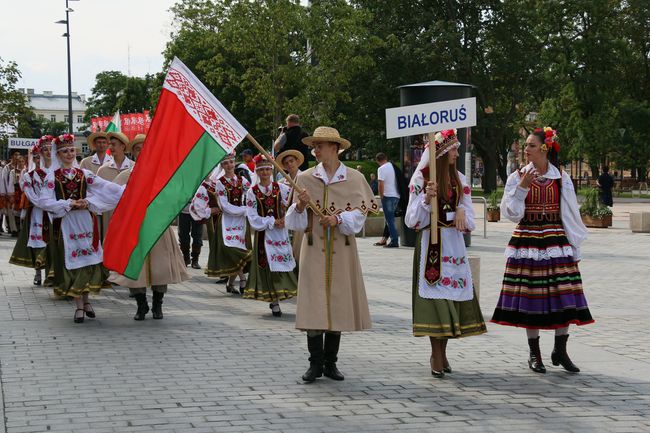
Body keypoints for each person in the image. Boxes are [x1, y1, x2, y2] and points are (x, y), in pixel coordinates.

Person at [491, 127, 594, 373]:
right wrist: (523, 187)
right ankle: (534, 353)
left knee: (564, 294)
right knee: (532, 296)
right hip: (528, 240)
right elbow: (511, 213)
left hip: (555, 240)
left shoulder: (561, 177)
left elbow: (569, 213)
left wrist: (574, 246)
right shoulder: (518, 176)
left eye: (531, 145)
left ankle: (560, 349)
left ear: (545, 148)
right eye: (526, 145)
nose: (526, 150)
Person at [286, 126, 378, 382]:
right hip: (314, 248)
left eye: (321, 145)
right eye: (314, 145)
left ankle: (331, 363)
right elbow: (293, 222)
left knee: (337, 303)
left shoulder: (353, 179)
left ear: (335, 148)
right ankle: (314, 364)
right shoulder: (304, 179)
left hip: (341, 249)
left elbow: (360, 217)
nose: (315, 150)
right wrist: (301, 205)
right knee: (314, 304)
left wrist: (338, 219)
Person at [405, 129, 487, 378]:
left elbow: (470, 221)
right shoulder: (421, 180)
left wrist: (462, 212)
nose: (457, 153)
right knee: (435, 302)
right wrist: (424, 200)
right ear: (439, 152)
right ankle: (436, 354)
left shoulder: (460, 180)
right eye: (453, 149)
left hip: (453, 247)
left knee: (450, 300)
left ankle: (442, 353)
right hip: (431, 244)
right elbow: (411, 220)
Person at [38, 133, 125, 323]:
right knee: (74, 261)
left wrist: (89, 201)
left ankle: (85, 302)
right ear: (58, 155)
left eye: (71, 150)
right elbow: (44, 201)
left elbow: (107, 188)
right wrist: (68, 204)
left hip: (86, 221)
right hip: (67, 224)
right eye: (65, 151)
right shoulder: (53, 177)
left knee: (89, 261)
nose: (70, 154)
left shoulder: (84, 174)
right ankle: (79, 305)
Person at [109, 134, 189, 320]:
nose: (142, 152)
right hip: (134, 229)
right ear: (134, 152)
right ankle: (141, 304)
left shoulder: (163, 173)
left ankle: (158, 305)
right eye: (138, 149)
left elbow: (175, 197)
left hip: (158, 226)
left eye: (145, 148)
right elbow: (112, 195)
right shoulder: (127, 175)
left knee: (160, 267)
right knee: (134, 267)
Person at [243, 156, 297, 317]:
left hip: (281, 234)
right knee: (267, 265)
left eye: (267, 169)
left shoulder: (281, 187)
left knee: (282, 262)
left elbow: (292, 205)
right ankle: (274, 301)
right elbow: (252, 216)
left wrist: (286, 218)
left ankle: (283, 292)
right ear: (257, 172)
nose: (265, 172)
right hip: (264, 234)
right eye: (261, 170)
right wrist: (273, 221)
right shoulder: (252, 192)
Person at [190, 153, 252, 293]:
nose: (229, 165)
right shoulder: (218, 183)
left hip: (241, 222)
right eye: (226, 163)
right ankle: (242, 279)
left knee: (238, 251)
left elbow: (251, 197)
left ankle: (231, 283)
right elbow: (222, 206)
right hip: (225, 222)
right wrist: (244, 210)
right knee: (232, 251)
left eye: (231, 162)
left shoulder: (242, 181)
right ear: (222, 166)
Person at [9, 138, 53, 286]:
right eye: (44, 150)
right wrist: (44, 203)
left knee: (54, 241)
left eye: (50, 150)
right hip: (38, 212)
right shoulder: (29, 175)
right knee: (38, 240)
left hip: (54, 212)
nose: (47, 153)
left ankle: (52, 273)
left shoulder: (56, 172)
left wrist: (53, 205)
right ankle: (38, 272)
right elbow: (30, 194)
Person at [97, 132, 134, 239]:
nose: (110, 147)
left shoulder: (134, 167)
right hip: (109, 217)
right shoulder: (103, 170)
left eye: (113, 144)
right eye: (110, 144)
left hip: (129, 217)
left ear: (123, 146)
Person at [277, 149, 304, 270]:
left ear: (297, 162)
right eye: (286, 163)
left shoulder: (306, 178)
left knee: (299, 249)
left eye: (291, 161)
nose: (289, 164)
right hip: (285, 220)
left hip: (301, 220)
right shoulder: (281, 183)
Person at [375, 153, 401, 247]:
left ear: (377, 161)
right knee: (389, 219)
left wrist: (381, 196)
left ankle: (394, 241)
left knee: (390, 220)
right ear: (386, 158)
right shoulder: (393, 166)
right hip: (396, 195)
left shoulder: (381, 169)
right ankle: (384, 239)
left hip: (387, 196)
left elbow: (380, 184)